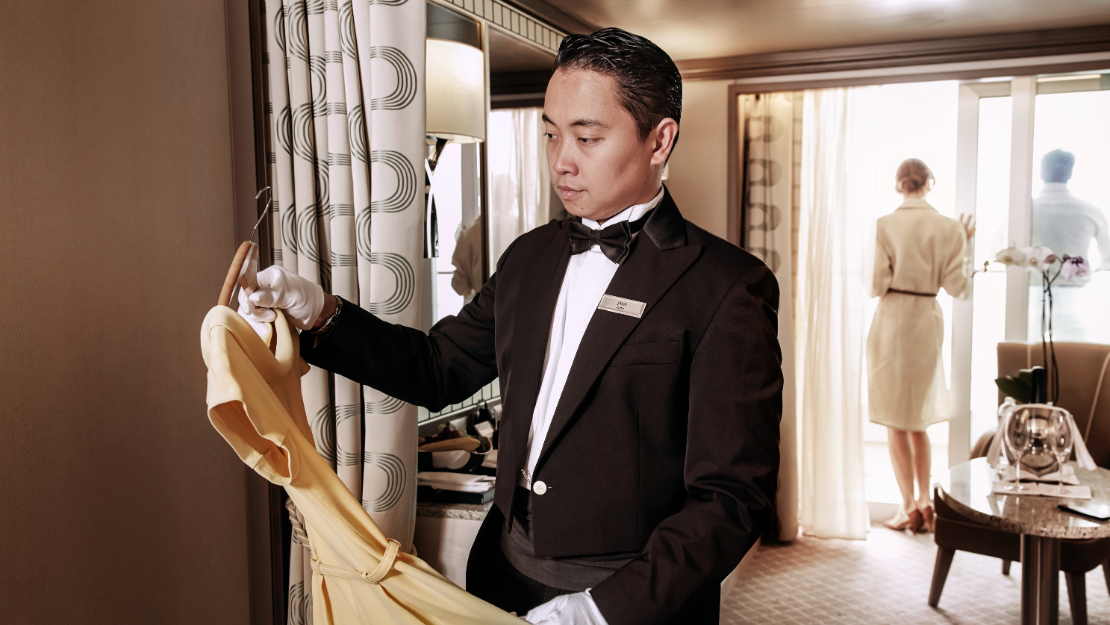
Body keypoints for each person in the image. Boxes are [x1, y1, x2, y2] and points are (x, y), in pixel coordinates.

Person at [243, 28, 782, 625]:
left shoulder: (729, 287)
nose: (561, 161)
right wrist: (319, 312)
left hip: (631, 600)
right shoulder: (528, 257)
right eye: (551, 134)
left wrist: (601, 610)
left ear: (660, 140)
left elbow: (731, 498)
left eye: (587, 137)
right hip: (499, 576)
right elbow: (436, 367)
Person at [867, 159, 974, 534]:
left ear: (899, 184)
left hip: (893, 317)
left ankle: (908, 505)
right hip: (927, 318)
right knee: (918, 418)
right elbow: (958, 287)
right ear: (929, 182)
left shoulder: (884, 225)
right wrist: (964, 243)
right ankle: (926, 502)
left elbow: (876, 284)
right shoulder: (949, 229)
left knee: (896, 419)